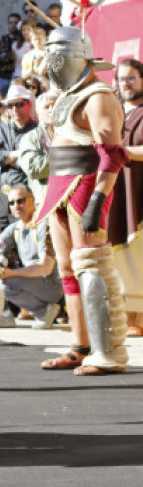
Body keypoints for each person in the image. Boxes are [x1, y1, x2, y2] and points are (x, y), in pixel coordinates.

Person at [32, 27, 128, 376]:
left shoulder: (100, 95)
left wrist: (98, 198)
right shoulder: (66, 97)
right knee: (68, 270)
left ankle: (108, 352)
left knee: (92, 265)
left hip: (86, 184)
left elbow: (111, 155)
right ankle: (81, 345)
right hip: (59, 186)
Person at [0, 184, 61, 329]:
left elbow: (46, 268)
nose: (16, 206)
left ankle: (43, 311)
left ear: (32, 200)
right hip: (30, 280)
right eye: (11, 203)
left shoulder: (43, 225)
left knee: (5, 284)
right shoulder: (16, 227)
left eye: (20, 201)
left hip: (51, 284)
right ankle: (4, 315)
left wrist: (12, 273)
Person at [107, 59, 143, 336]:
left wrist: (121, 151)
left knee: (138, 255)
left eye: (131, 77)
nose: (126, 83)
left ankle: (138, 318)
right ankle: (126, 315)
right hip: (118, 188)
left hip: (139, 190)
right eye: (121, 78)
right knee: (121, 255)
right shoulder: (115, 111)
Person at [0, 83, 37, 239]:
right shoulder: (2, 129)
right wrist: (14, 155)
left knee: (21, 242)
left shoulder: (37, 130)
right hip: (2, 194)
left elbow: (33, 161)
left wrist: (5, 158)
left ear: (28, 104)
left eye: (19, 104)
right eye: (10, 105)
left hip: (23, 193)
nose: (14, 109)